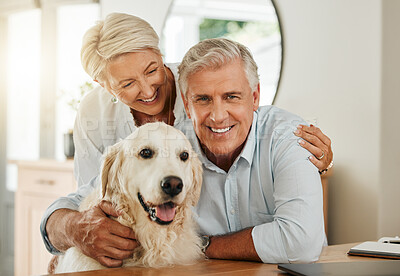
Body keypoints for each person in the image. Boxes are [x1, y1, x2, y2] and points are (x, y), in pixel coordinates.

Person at [41, 13, 332, 268]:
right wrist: (72, 231)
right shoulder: (127, 125)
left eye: (152, 70)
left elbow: (300, 241)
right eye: (127, 84)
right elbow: (92, 199)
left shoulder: (213, 104)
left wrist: (199, 245)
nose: (147, 90)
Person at [177, 38, 325, 261]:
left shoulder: (288, 136)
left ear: (255, 97)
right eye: (203, 99)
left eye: (231, 97)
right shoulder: (169, 147)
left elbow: (300, 243)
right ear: (187, 105)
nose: (218, 116)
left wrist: (202, 246)